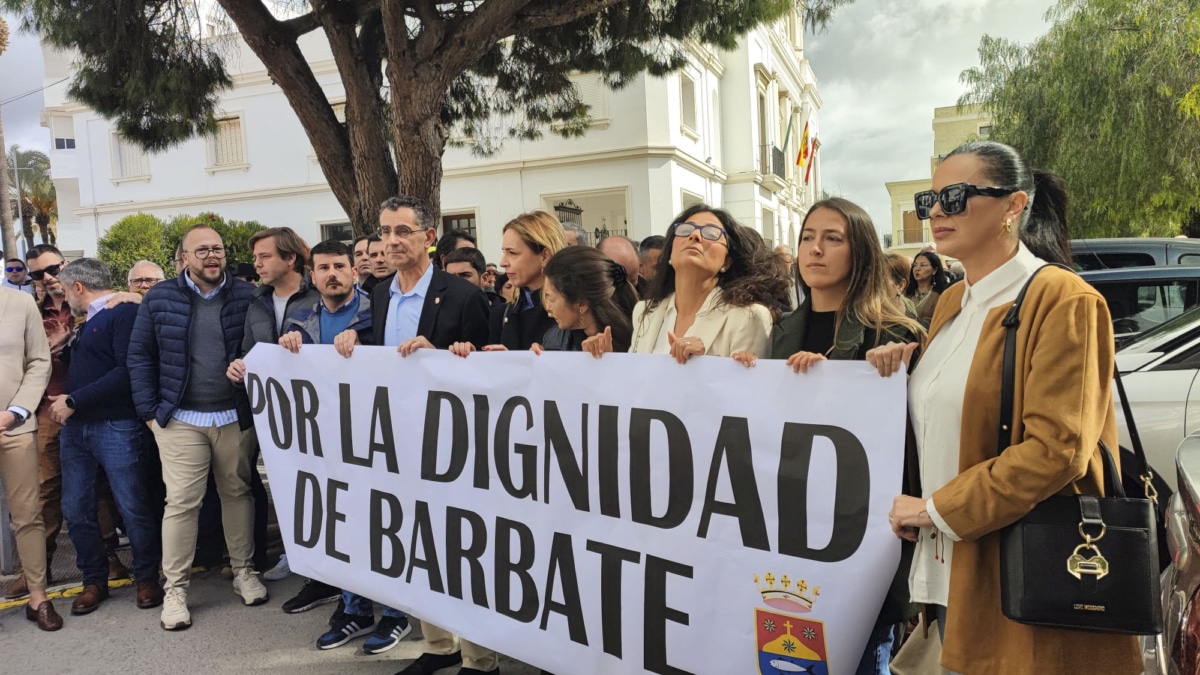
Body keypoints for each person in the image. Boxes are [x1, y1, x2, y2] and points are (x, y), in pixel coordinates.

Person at [869, 140, 1139, 674]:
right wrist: (900, 367)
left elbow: (1057, 450)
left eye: (955, 195)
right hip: (949, 573)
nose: (937, 212)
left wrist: (935, 509)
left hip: (1023, 577)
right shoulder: (951, 302)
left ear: (1014, 205)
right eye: (929, 200)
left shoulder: (1063, 300)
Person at [731, 199, 924, 675]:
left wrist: (866, 374)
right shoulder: (783, 332)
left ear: (860, 252)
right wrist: (740, 380)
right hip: (794, 539)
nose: (815, 249)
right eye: (807, 237)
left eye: (832, 238)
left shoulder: (895, 331)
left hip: (858, 543)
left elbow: (914, 441)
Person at [358, 196, 494, 673]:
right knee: (418, 543)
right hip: (397, 440)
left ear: (428, 237)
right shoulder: (377, 294)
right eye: (385, 231)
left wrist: (443, 355)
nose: (391, 240)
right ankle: (440, 645)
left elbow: (491, 371)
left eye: (402, 231)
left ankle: (480, 659)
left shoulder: (462, 296)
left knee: (464, 547)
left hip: (456, 444)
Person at [128, 224, 268, 631]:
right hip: (180, 419)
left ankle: (243, 572)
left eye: (218, 249)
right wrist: (150, 413)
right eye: (202, 250)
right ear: (184, 257)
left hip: (233, 415)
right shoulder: (159, 297)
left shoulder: (247, 294)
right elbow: (139, 356)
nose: (212, 256)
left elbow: (261, 347)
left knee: (238, 492)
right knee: (182, 502)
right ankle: (176, 591)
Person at [272, 239, 384, 652]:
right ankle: (354, 610)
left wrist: (366, 341)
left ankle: (393, 614)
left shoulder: (379, 313)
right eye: (323, 267)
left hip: (376, 437)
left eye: (340, 265)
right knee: (342, 524)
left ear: (355, 271)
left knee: (380, 525)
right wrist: (282, 353)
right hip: (325, 442)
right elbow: (280, 373)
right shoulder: (300, 319)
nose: (332, 273)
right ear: (311, 274)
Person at [225, 227, 335, 613]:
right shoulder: (256, 302)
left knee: (321, 487)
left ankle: (326, 571)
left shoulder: (320, 294)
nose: (257, 264)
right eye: (255, 257)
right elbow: (247, 350)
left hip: (318, 412)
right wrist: (238, 366)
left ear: (291, 259)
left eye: (265, 256)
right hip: (271, 413)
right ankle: (297, 551)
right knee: (288, 485)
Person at [49, 259, 164, 615]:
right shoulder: (91, 321)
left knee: (132, 506)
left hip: (115, 425)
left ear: (79, 286)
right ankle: (93, 581)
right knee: (77, 509)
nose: (65, 301)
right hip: (78, 430)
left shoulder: (123, 311)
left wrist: (73, 400)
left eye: (66, 293)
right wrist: (66, 345)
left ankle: (147, 578)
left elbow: (126, 371)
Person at [623, 205, 780, 360]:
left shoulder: (749, 317)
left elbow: (746, 383)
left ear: (726, 262)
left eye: (711, 233)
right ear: (670, 252)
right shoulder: (645, 312)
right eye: (685, 230)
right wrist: (604, 359)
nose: (695, 235)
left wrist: (705, 365)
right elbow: (635, 377)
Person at [0, 285, 59, 630]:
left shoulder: (19, 303)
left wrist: (14, 412)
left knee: (27, 513)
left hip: (15, 425)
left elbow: (39, 361)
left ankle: (38, 598)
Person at [450, 211, 566, 356]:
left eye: (512, 253)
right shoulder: (501, 313)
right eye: (504, 252)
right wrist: (474, 356)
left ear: (544, 255)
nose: (503, 263)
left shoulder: (570, 311)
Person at [534, 245, 638, 354]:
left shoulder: (639, 341)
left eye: (551, 298)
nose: (548, 307)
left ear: (581, 304)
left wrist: (608, 361)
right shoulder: (554, 340)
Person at [904, 250, 948, 327]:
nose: (917, 269)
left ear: (935, 270)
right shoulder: (905, 291)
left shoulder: (942, 293)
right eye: (915, 265)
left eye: (923, 265)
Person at [597, 235, 643, 301]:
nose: (628, 292)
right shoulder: (588, 298)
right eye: (619, 281)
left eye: (632, 282)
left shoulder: (650, 296)